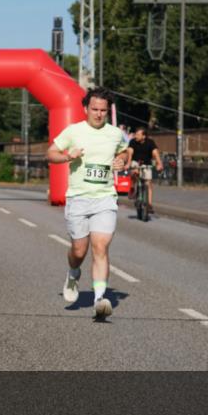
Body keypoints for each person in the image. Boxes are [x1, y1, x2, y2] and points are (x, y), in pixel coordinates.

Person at [46, 87, 129, 319]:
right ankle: (73, 273)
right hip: (79, 199)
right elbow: (51, 153)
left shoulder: (114, 133)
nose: (99, 114)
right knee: (79, 250)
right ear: (85, 109)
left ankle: (99, 299)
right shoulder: (73, 131)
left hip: (104, 198)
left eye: (103, 110)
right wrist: (67, 156)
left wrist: (121, 160)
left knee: (100, 247)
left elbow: (125, 151)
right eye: (94, 109)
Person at [124, 125, 164, 213]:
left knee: (148, 183)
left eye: (138, 134)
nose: (136, 136)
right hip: (135, 162)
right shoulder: (133, 142)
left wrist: (159, 163)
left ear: (144, 136)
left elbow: (155, 153)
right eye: (135, 134)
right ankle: (132, 188)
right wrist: (128, 163)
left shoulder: (150, 142)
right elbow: (130, 153)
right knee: (134, 171)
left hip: (146, 164)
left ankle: (149, 204)